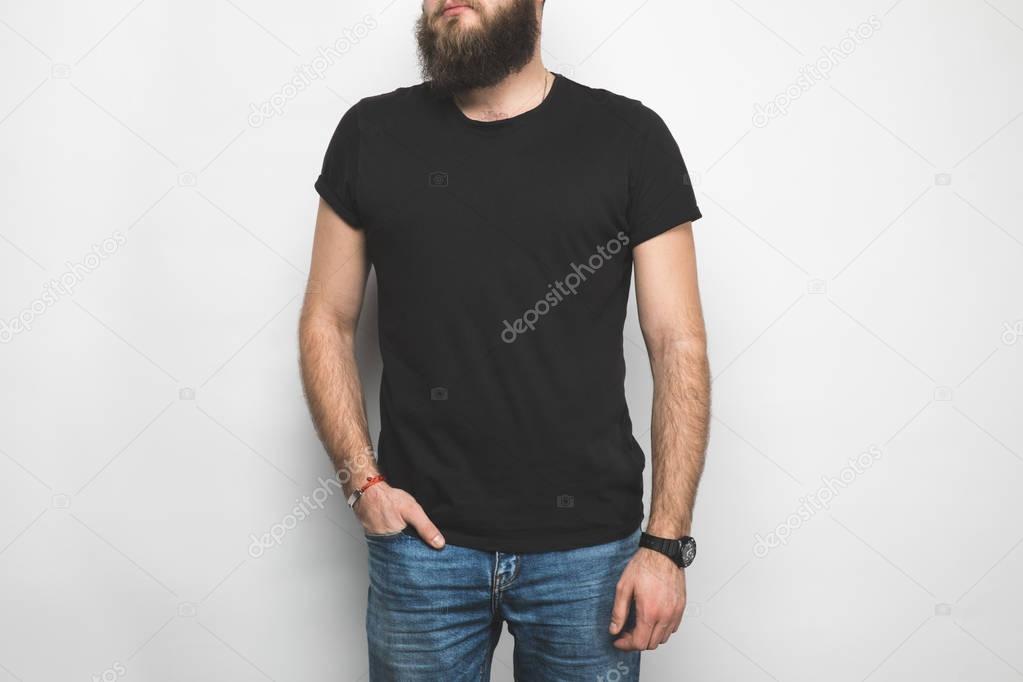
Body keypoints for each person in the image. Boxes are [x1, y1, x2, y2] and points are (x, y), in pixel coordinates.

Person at [299, 1, 710, 679]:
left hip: (589, 555)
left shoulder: (630, 138)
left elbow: (678, 345)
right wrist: (362, 482)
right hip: (420, 549)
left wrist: (665, 545)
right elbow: (326, 319)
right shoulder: (372, 132)